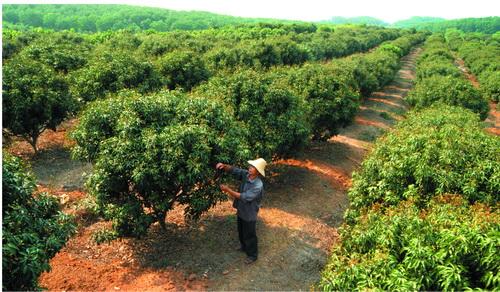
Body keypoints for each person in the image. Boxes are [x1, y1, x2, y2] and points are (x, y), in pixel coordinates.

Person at [216, 158, 266, 264]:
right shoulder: (246, 175)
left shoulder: (258, 185)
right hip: (242, 209)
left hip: (250, 212)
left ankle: (252, 255)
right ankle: (244, 247)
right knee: (241, 230)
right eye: (251, 166)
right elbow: (235, 170)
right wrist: (224, 166)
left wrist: (228, 190)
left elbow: (244, 197)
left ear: (258, 171)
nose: (250, 168)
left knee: (249, 234)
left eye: (253, 167)